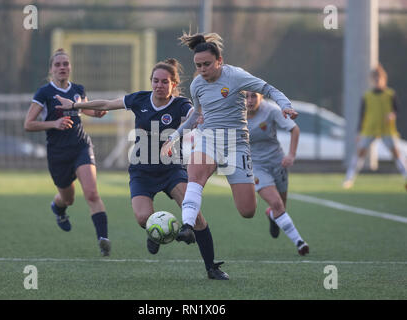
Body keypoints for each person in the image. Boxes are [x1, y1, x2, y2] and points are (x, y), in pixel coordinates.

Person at [55, 58, 229, 280]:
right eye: (155, 81)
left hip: (171, 169)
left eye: (164, 82)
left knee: (196, 217)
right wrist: (74, 106)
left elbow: (195, 116)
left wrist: (206, 118)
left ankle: (211, 267)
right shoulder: (139, 99)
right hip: (142, 171)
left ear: (173, 84)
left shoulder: (181, 105)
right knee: (142, 217)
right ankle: (155, 233)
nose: (159, 85)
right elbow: (107, 104)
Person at [161, 32, 298, 259]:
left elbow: (269, 89)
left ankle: (269, 214)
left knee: (247, 211)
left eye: (207, 64)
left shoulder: (236, 76)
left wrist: (285, 105)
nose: (202, 69)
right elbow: (197, 115)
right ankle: (187, 226)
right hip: (208, 138)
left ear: (220, 61)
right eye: (198, 65)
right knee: (195, 176)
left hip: (236, 145)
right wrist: (174, 137)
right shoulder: (197, 85)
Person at [24, 48, 111, 256]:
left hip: (81, 145)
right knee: (68, 198)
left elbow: (83, 109)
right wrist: (54, 123)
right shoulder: (44, 93)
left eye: (66, 64)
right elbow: (28, 124)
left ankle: (103, 239)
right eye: (58, 65)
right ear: (51, 70)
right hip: (58, 153)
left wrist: (97, 113)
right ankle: (59, 209)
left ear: (70, 68)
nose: (62, 67)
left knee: (91, 192)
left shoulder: (78, 89)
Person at [246, 91, 309, 256]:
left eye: (254, 96)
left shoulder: (271, 110)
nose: (250, 100)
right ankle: (300, 242)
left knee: (281, 207)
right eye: (246, 97)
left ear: (261, 97)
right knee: (278, 205)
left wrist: (291, 155)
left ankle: (272, 215)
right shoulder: (235, 114)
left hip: (277, 162)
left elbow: (294, 129)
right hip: (256, 166)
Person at [343, 64, 407, 190]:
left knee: (396, 154)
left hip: (386, 129)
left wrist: (392, 115)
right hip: (369, 129)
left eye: (379, 78)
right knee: (360, 153)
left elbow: (397, 110)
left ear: (384, 79)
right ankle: (349, 179)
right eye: (375, 78)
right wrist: (359, 132)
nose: (377, 80)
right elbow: (362, 115)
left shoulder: (390, 94)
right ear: (371, 80)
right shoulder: (367, 96)